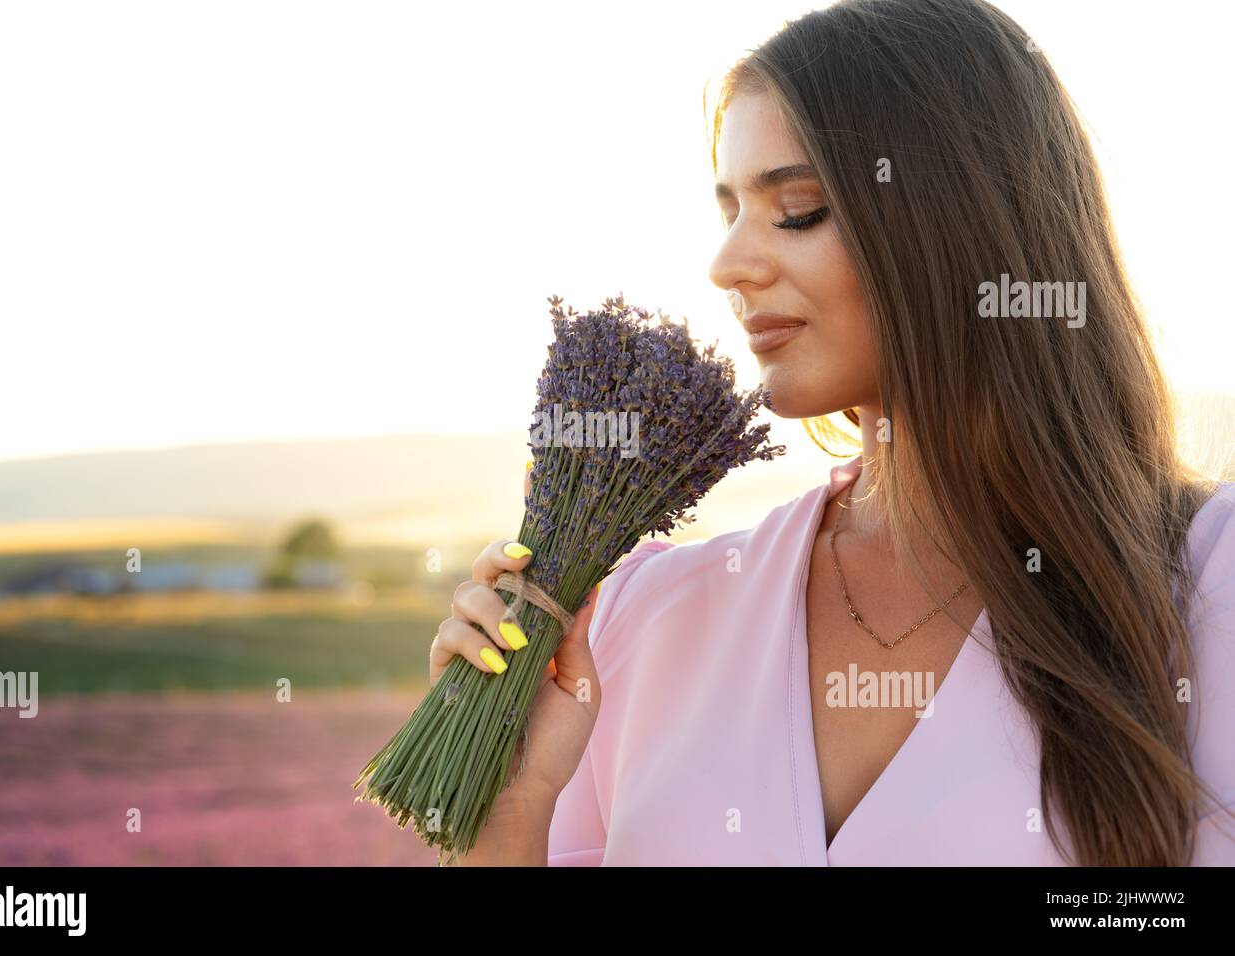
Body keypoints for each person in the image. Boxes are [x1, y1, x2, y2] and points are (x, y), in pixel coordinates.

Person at [434, 0, 1235, 865]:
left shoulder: (1204, 586)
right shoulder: (641, 620)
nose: (728, 263)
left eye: (798, 209)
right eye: (729, 208)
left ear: (961, 222)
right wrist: (509, 817)